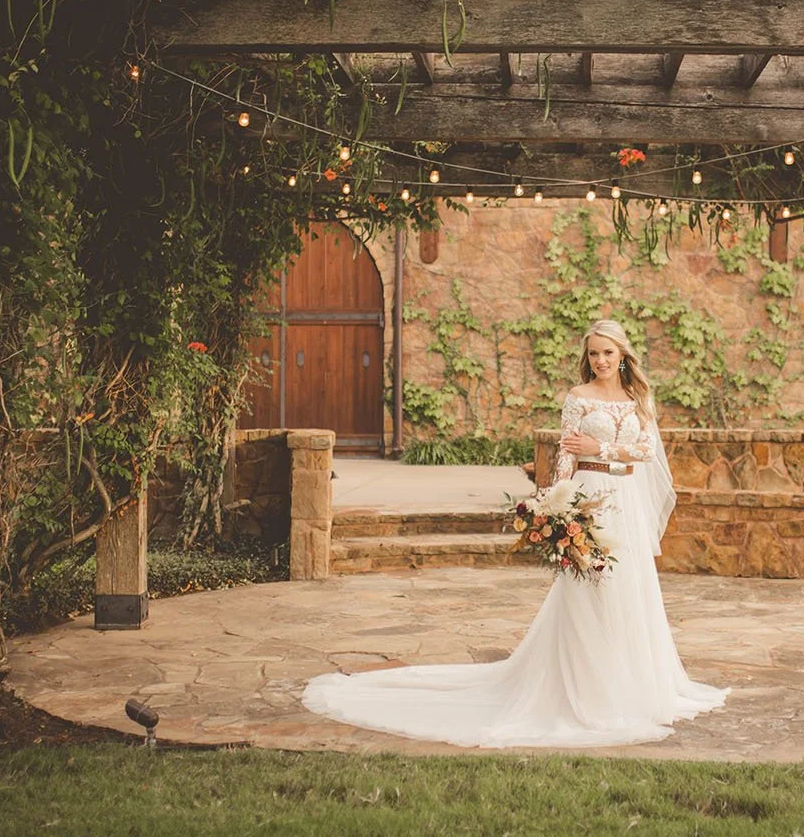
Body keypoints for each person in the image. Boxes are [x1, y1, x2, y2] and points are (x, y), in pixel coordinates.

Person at [300, 320, 728, 747]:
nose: (600, 360)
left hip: (627, 503)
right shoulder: (577, 398)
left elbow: (647, 452)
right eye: (594, 353)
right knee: (589, 590)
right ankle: (586, 688)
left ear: (623, 356)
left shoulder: (639, 399)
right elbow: (566, 455)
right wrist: (555, 505)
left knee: (630, 589)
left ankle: (636, 686)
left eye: (608, 353)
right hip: (590, 496)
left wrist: (601, 449)